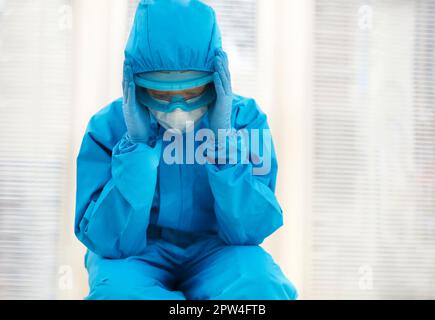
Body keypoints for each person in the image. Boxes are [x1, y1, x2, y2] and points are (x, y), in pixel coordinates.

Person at [74, 0, 297, 300]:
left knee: (260, 288)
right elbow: (110, 241)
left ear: (216, 81)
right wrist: (137, 147)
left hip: (219, 249)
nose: (177, 108)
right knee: (117, 294)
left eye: (192, 92)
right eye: (161, 94)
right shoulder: (108, 127)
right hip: (136, 254)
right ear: (135, 84)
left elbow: (249, 231)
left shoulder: (245, 120)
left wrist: (224, 144)